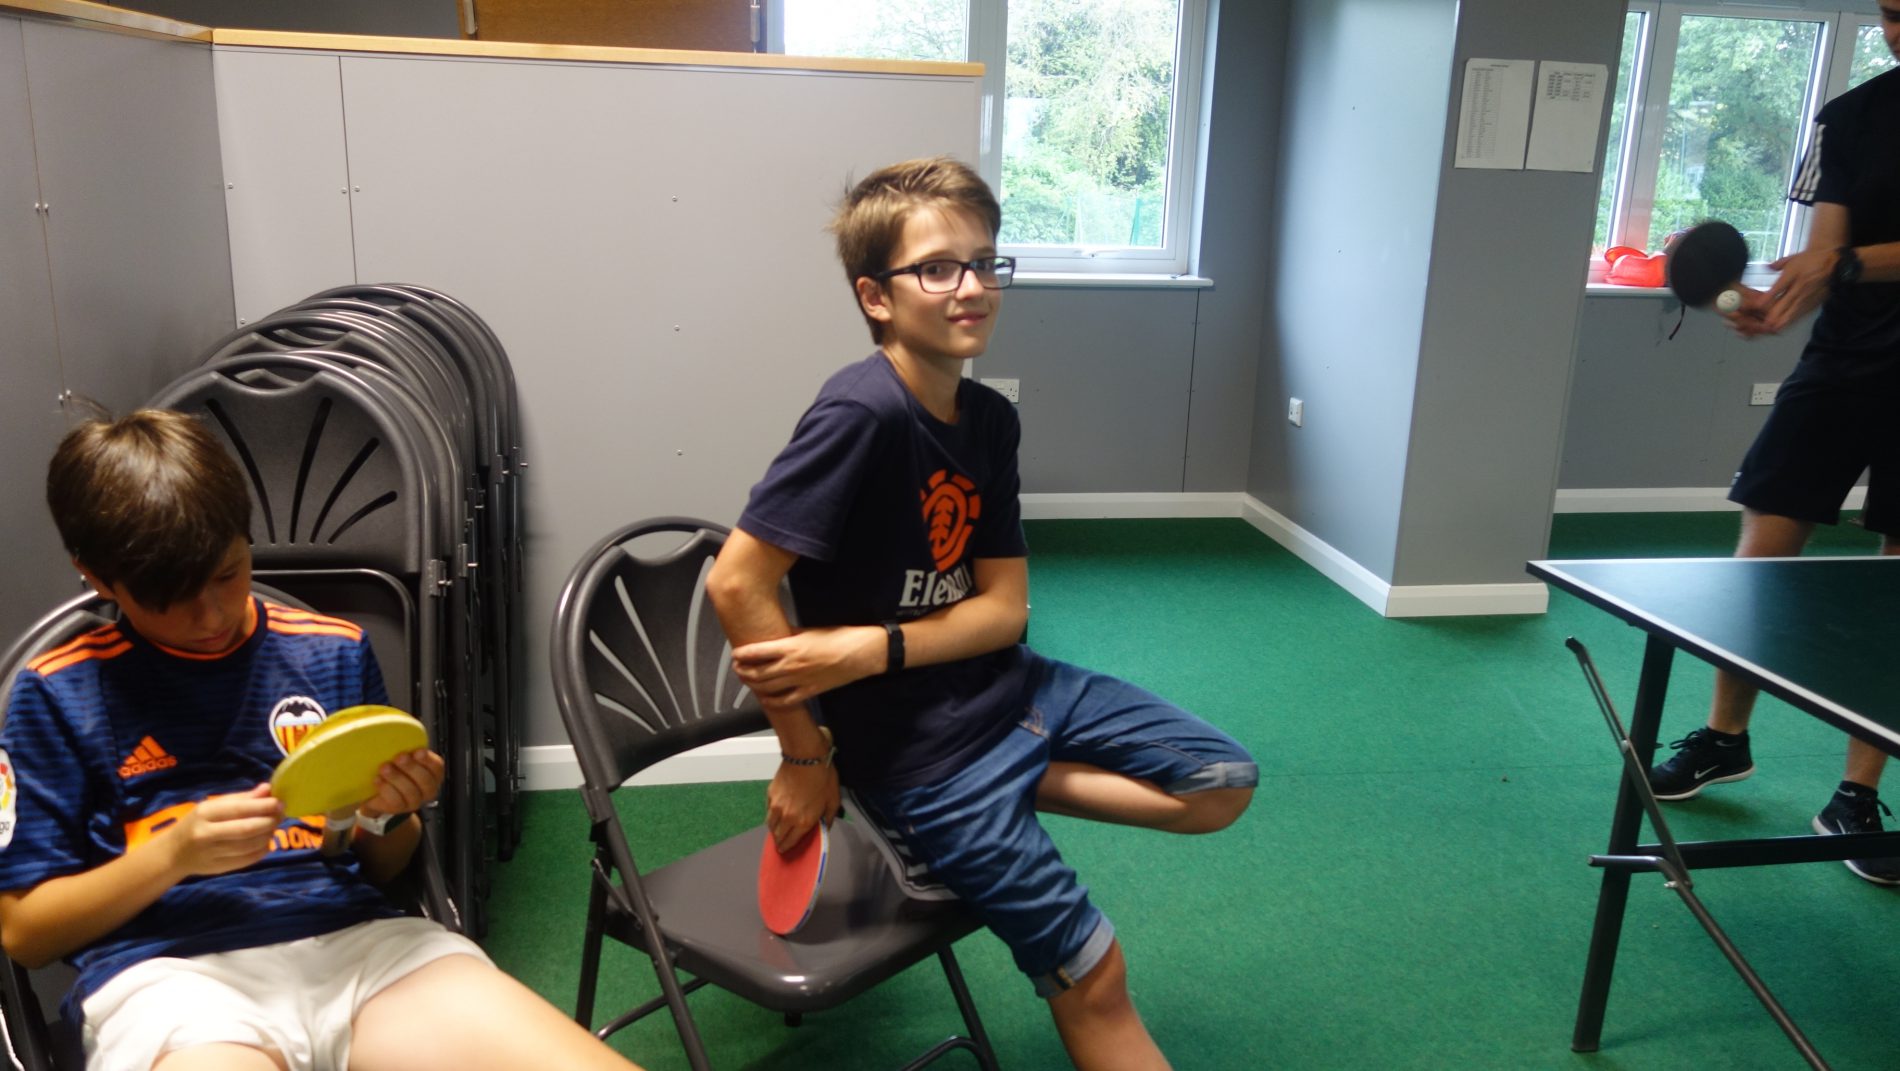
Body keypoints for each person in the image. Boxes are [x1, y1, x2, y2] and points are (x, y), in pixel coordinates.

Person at [704, 156, 1257, 1070]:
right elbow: (737, 582)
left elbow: (1004, 612)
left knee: (1221, 784)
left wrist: (870, 648)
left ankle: (1018, 777)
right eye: (937, 268)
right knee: (1096, 978)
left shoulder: (990, 421)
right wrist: (805, 755)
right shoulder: (860, 413)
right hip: (920, 755)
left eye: (985, 262)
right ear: (876, 296)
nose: (971, 287)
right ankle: (945, 812)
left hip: (1014, 691)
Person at [0, 409, 644, 1071]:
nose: (212, 615)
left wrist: (387, 812)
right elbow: (25, 934)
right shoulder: (56, 693)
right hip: (167, 977)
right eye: (173, 597)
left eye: (228, 573)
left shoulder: (331, 650)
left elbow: (381, 863)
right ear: (96, 576)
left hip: (356, 944)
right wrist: (174, 855)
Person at [1649, 23, 1900, 886]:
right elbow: (1827, 251)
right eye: (1887, 11)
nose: (1895, 29)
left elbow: (1842, 261)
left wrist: (1841, 268)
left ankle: (1858, 793)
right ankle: (1725, 738)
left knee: (1894, 588)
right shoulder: (1852, 116)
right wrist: (1779, 301)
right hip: (1842, 362)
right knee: (1760, 558)